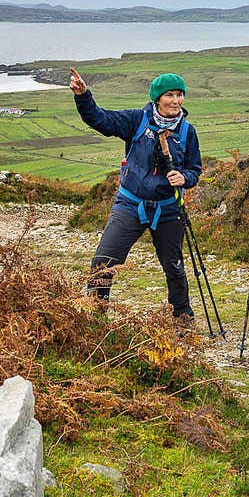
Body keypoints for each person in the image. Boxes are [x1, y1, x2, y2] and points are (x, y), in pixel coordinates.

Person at [69, 67, 203, 321]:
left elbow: (195, 169)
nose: (176, 101)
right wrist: (83, 96)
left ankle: (182, 317)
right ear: (157, 99)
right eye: (170, 95)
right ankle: (96, 316)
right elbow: (101, 120)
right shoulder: (136, 120)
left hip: (168, 209)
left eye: (180, 95)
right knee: (103, 262)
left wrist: (185, 178)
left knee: (173, 267)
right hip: (130, 205)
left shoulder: (188, 132)